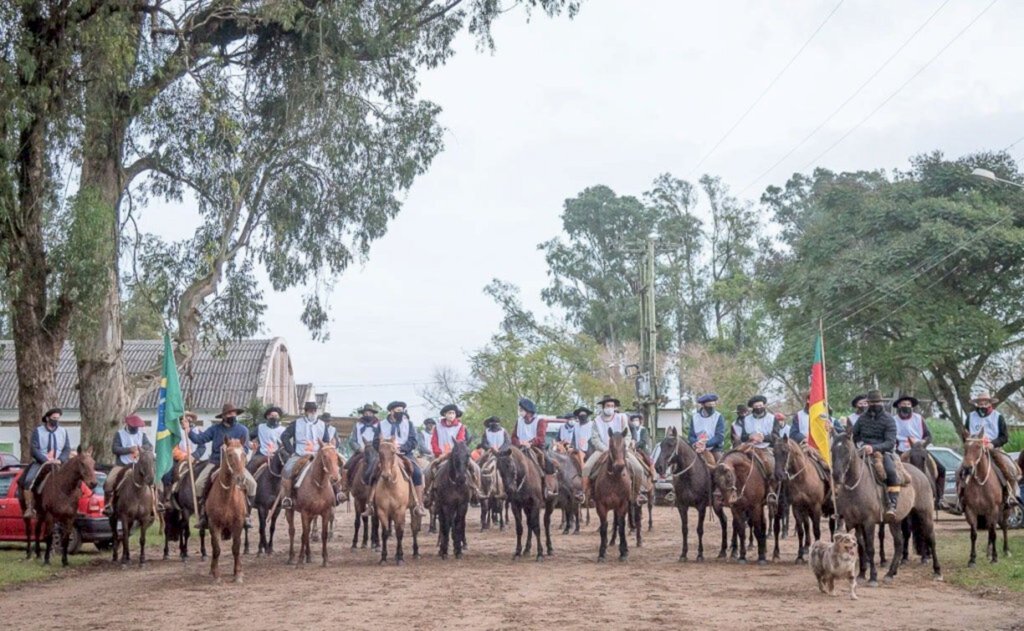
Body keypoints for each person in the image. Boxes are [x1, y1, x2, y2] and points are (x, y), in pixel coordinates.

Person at [182, 403, 258, 527]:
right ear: (223, 416)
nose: (231, 415)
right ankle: (203, 515)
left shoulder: (243, 430)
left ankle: (247, 515)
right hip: (216, 462)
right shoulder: (215, 429)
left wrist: (234, 448)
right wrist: (188, 430)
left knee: (252, 484)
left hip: (236, 465)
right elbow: (199, 439)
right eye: (228, 413)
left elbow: (245, 449)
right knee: (199, 483)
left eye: (233, 413)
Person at [583, 395, 651, 506]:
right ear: (603, 407)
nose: (610, 407)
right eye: (607, 405)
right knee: (586, 468)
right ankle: (586, 493)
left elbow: (628, 434)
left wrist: (624, 447)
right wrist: (606, 449)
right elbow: (595, 438)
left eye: (612, 405)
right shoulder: (596, 421)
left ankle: (637, 494)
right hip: (602, 449)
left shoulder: (622, 418)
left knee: (638, 469)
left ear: (615, 407)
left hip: (621, 450)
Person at [964, 390, 1021, 508]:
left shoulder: (998, 416)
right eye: (980, 401)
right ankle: (961, 500)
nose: (982, 403)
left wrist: (993, 444)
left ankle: (1011, 495)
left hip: (994, 448)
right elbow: (965, 435)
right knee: (960, 470)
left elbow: (1004, 437)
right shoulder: (970, 417)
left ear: (990, 402)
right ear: (977, 403)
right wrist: (971, 445)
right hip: (975, 450)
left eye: (985, 401)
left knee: (1009, 469)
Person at [372, 401, 428, 516]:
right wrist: (385, 447)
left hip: (404, 453)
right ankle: (370, 503)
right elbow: (375, 441)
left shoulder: (409, 424)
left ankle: (419, 504)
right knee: (371, 472)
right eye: (398, 411)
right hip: (386, 454)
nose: (400, 413)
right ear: (391, 411)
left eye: (402, 411)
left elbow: (413, 441)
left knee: (417, 473)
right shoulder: (381, 424)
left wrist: (402, 448)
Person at [851, 390, 900, 518]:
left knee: (891, 472)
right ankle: (843, 504)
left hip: (883, 452)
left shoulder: (889, 419)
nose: (873, 404)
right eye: (871, 402)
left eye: (876, 402)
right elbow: (853, 435)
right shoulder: (862, 418)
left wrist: (873, 448)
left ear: (881, 403)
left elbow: (890, 442)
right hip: (862, 451)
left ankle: (892, 504)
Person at [22, 408, 71, 519]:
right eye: (54, 418)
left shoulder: (63, 431)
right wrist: (45, 460)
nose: (56, 421)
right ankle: (29, 508)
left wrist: (61, 459)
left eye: (58, 418)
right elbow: (34, 449)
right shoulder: (38, 431)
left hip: (58, 462)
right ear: (48, 418)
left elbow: (67, 448)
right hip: (41, 462)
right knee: (28, 480)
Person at [425, 404, 481, 502]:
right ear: (445, 414)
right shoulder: (438, 427)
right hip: (441, 455)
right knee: (429, 469)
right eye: (449, 413)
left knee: (475, 468)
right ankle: (429, 491)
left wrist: (454, 452)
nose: (451, 415)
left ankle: (476, 490)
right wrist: (438, 453)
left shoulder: (460, 427)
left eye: (453, 413)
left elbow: (460, 440)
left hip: (457, 455)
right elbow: (434, 441)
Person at [103, 413, 154, 514]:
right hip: (123, 464)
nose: (136, 428)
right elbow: (115, 449)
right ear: (128, 425)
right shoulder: (119, 434)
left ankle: (156, 503)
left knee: (153, 479)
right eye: (134, 427)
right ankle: (108, 504)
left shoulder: (142, 434)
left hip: (139, 465)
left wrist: (142, 449)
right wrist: (128, 450)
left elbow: (149, 446)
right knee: (109, 481)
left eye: (137, 427)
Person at [510, 397, 558, 498]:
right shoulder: (519, 421)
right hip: (520, 448)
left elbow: (541, 437)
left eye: (522, 409)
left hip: (536, 448)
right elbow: (513, 436)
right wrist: (519, 443)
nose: (520, 412)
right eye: (520, 409)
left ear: (528, 410)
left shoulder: (540, 421)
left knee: (548, 463)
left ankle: (547, 487)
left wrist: (530, 443)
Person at [161, 411, 206, 507]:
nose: (187, 420)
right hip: (178, 458)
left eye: (189, 418)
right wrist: (184, 457)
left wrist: (195, 455)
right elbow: (173, 448)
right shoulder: (175, 433)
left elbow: (202, 447)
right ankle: (168, 497)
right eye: (185, 419)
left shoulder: (199, 432)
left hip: (194, 459)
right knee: (167, 473)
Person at [342, 404, 381, 493]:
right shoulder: (357, 425)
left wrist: (377, 449)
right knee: (347, 467)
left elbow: (382, 439)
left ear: (373, 414)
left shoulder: (379, 424)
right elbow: (352, 440)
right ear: (363, 414)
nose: (368, 414)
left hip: (375, 452)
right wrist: (359, 449)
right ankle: (346, 489)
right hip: (361, 451)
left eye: (370, 413)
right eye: (366, 413)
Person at [688, 393, 726, 466]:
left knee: (722, 467)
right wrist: (697, 443)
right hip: (697, 448)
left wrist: (706, 444)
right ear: (703, 405)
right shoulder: (695, 417)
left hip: (714, 448)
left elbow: (719, 436)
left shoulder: (718, 417)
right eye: (709, 405)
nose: (711, 408)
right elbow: (691, 436)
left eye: (713, 405)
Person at [248, 406, 285, 473]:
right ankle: (245, 483)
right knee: (250, 466)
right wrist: (250, 444)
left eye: (276, 415)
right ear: (267, 417)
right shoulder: (260, 427)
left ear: (279, 417)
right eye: (271, 415)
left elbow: (285, 444)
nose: (274, 417)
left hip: (277, 456)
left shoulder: (283, 430)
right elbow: (249, 437)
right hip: (261, 454)